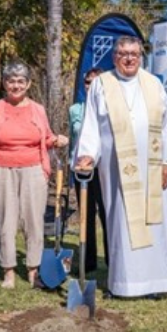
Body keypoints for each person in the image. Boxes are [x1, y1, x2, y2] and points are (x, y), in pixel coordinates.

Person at [75, 35, 167, 297]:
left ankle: (158, 282)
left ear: (141, 56)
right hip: (117, 168)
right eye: (122, 53)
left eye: (134, 53)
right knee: (121, 222)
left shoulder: (153, 84)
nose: (129, 58)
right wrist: (87, 154)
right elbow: (92, 124)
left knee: (156, 223)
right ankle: (124, 282)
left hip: (152, 168)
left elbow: (166, 126)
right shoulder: (101, 85)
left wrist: (166, 162)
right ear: (114, 57)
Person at [0, 62, 68, 288]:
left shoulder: (37, 109)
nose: (16, 85)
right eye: (11, 81)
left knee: (33, 220)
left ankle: (33, 269)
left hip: (34, 168)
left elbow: (45, 137)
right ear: (4, 84)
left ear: (28, 84)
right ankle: (8, 271)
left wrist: (56, 140)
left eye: (20, 81)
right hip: (3, 169)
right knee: (6, 220)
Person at [69, 67, 109, 273]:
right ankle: (88, 262)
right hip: (81, 169)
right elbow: (73, 139)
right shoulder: (75, 109)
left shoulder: (109, 109)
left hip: (103, 169)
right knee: (86, 215)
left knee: (106, 214)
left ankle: (112, 261)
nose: (91, 86)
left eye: (96, 81)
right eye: (87, 82)